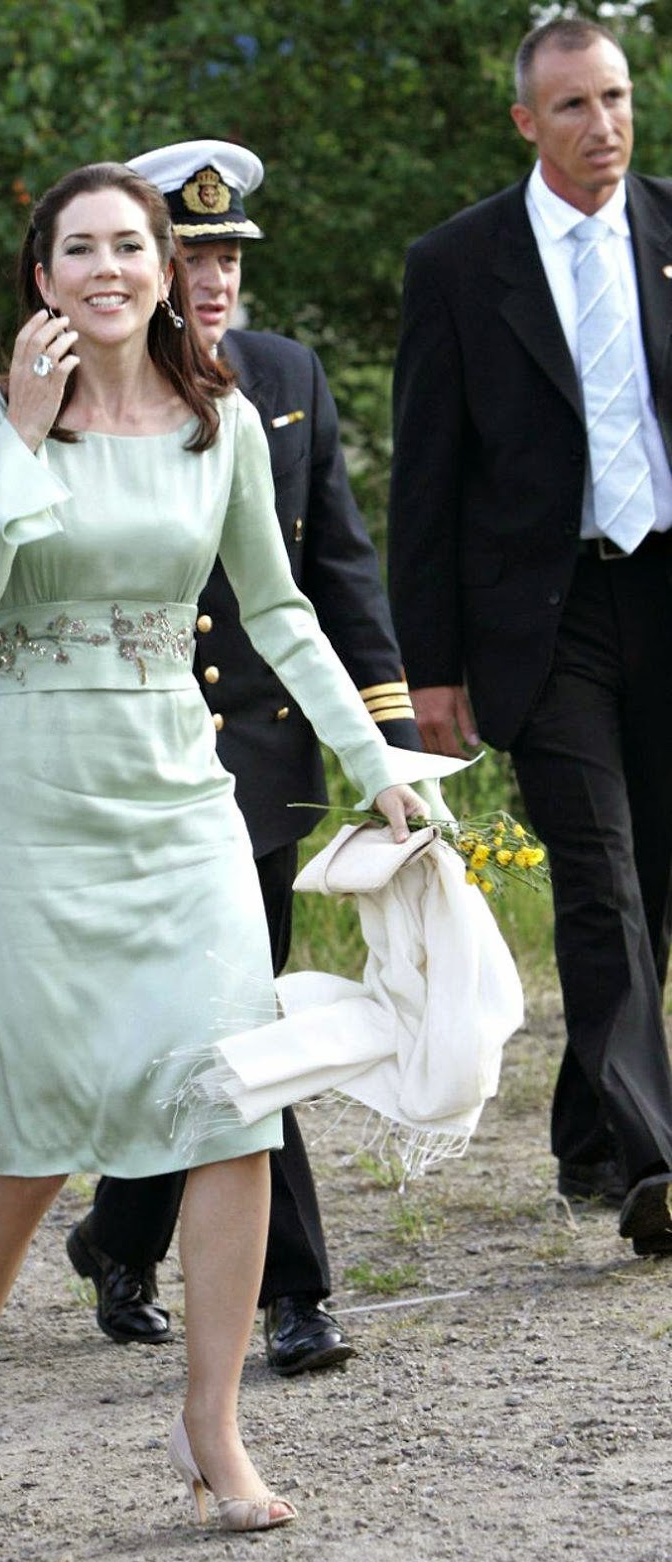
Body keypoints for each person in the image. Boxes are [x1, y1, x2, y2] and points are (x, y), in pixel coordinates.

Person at [0, 160, 437, 1533]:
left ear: (162, 271)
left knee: (232, 1104)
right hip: (37, 794)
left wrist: (375, 762)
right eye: (78, 248)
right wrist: (24, 438)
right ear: (42, 277)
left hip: (180, 796)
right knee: (34, 1128)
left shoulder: (223, 421)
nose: (107, 268)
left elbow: (280, 610)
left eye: (128, 246)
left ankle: (211, 1423)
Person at [65, 139, 424, 1377]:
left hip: (263, 758)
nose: (213, 280)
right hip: (147, 757)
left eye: (227, 257)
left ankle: (120, 1234)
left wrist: (387, 743)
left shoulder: (284, 376)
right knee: (234, 1018)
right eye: (191, 256)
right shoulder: (83, 387)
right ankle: (293, 1292)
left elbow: (335, 569)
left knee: (228, 1014)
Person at [388, 17, 672, 1257]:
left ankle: (587, 1130)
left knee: (651, 885)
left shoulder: (667, 229)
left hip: (666, 589)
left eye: (614, 97)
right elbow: (425, 477)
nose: (601, 126)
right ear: (524, 121)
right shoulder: (460, 263)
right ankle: (656, 1164)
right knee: (599, 877)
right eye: (571, 106)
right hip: (544, 621)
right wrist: (429, 667)